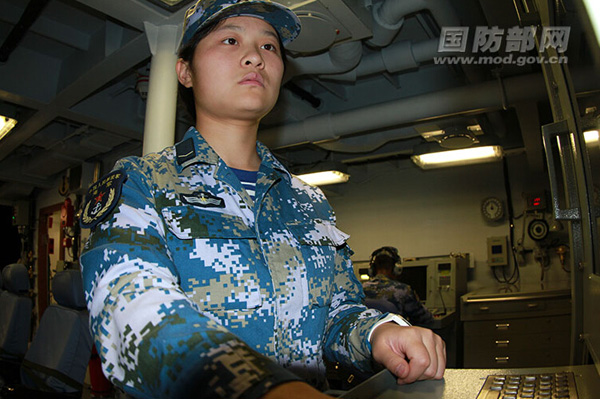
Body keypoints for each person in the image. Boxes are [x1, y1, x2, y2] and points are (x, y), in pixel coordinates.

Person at [79, 1, 446, 398]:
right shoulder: (141, 182)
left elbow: (336, 312)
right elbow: (134, 313)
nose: (255, 56)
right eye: (231, 40)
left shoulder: (309, 201)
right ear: (185, 71)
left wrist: (379, 332)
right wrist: (259, 388)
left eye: (269, 47)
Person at [362, 247, 435, 327]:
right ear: (396, 269)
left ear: (372, 270)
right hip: (395, 337)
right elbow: (426, 319)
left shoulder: (359, 289)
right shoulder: (403, 290)